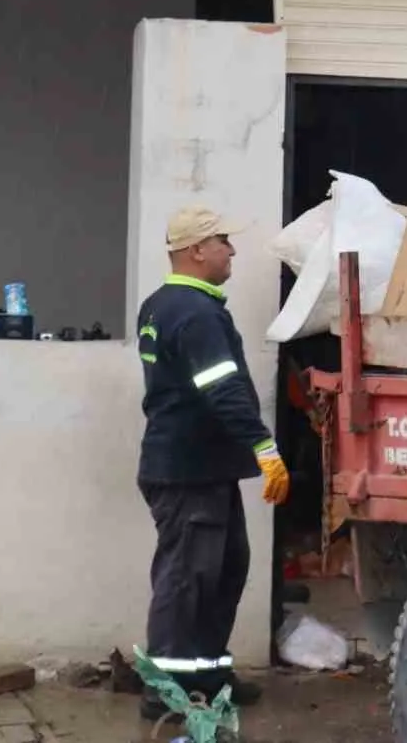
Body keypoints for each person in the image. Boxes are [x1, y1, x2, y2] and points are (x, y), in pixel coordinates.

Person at [134, 206, 290, 720]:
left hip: (202, 469)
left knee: (223, 571)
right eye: (223, 240)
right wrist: (264, 447)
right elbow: (222, 389)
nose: (232, 250)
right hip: (188, 472)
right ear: (197, 250)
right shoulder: (195, 314)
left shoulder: (163, 305)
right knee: (187, 580)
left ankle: (207, 677)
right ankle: (166, 691)